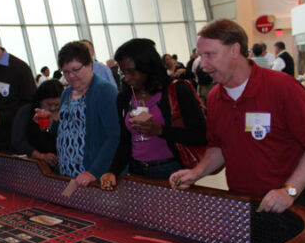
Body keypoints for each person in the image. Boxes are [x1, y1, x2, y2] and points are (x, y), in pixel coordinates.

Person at [169, 19, 305, 213]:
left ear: (234, 50)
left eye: (210, 55)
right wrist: (196, 172)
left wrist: (289, 191)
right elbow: (219, 147)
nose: (203, 65)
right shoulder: (214, 97)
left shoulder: (283, 88)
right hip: (241, 200)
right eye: (201, 55)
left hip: (287, 202)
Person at [100, 39, 206, 188]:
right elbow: (125, 141)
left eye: (131, 72)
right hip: (137, 171)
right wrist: (112, 171)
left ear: (148, 67)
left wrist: (160, 130)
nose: (127, 78)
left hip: (171, 170)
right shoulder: (124, 98)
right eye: (123, 73)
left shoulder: (177, 91)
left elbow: (199, 135)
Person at [52, 41, 120, 187]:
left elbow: (114, 137)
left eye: (75, 70)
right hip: (68, 173)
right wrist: (49, 120)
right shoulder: (66, 93)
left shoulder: (104, 91)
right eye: (65, 72)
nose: (71, 76)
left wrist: (94, 171)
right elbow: (64, 128)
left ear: (89, 65)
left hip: (92, 175)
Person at [12, 79, 63, 168]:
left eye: (57, 105)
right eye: (49, 104)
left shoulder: (66, 112)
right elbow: (18, 141)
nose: (53, 108)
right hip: (35, 164)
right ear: (40, 100)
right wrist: (41, 156)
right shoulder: (27, 112)